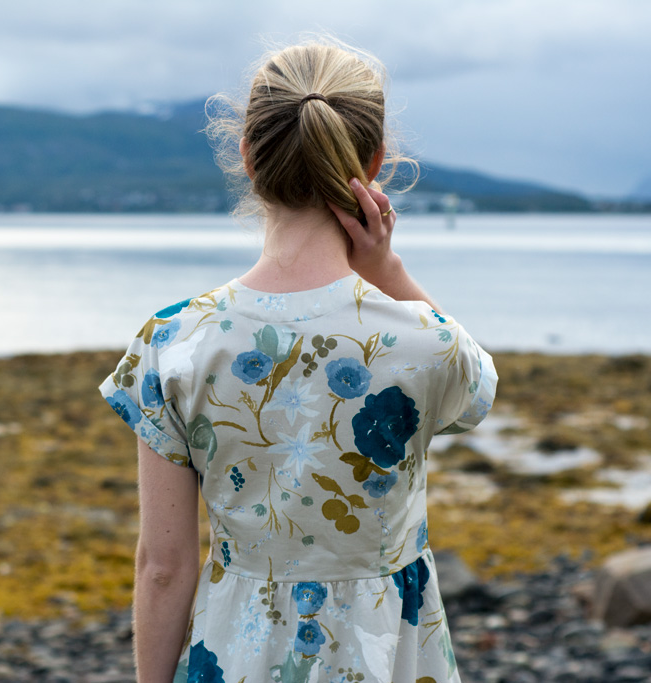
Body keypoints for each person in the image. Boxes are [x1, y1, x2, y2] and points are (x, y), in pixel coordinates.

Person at [99, 38, 497, 683]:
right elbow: (480, 388)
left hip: (235, 650)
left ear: (248, 155)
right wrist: (389, 273)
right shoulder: (427, 341)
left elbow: (163, 565)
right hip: (388, 652)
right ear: (374, 163)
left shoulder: (174, 340)